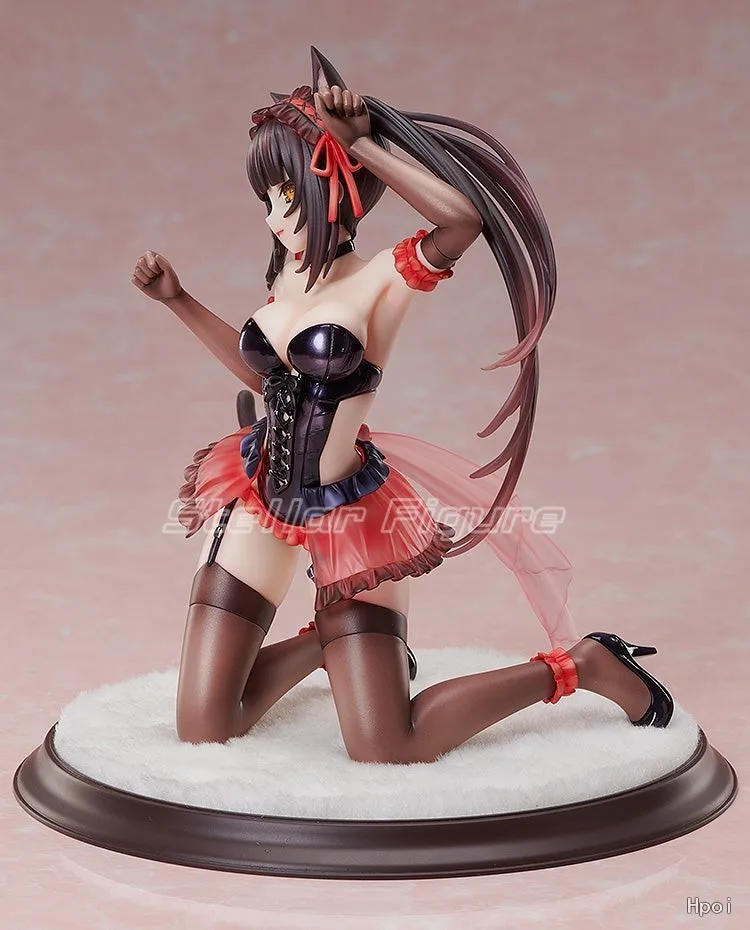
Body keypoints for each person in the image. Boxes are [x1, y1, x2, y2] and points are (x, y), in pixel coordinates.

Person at [132, 48, 673, 764]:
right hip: (260, 495)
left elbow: (463, 221)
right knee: (205, 727)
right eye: (266, 198)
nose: (275, 216)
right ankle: (324, 645)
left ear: (336, 192)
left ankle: (585, 665)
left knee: (387, 745)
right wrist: (178, 302)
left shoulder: (380, 282)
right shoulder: (289, 277)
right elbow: (265, 374)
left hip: (350, 518)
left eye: (287, 195)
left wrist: (362, 145)